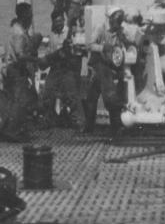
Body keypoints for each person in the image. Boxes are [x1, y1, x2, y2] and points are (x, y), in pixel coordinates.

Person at [82, 7, 133, 137]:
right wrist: (103, 47)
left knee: (111, 96)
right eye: (116, 21)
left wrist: (126, 38)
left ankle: (115, 127)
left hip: (111, 66)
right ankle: (89, 127)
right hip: (98, 65)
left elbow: (130, 42)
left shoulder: (121, 31)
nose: (117, 25)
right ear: (110, 20)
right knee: (92, 98)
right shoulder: (101, 28)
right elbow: (89, 45)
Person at [0, 2, 42, 140]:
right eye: (29, 14)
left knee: (13, 101)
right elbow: (20, 55)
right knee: (20, 101)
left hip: (11, 68)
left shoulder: (15, 29)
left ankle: (9, 129)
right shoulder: (19, 33)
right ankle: (12, 132)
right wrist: (37, 60)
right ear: (24, 15)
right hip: (15, 70)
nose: (31, 17)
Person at [37, 13, 82, 128]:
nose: (58, 24)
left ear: (64, 20)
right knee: (48, 92)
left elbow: (76, 50)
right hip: (55, 67)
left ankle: (75, 120)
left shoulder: (70, 33)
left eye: (60, 21)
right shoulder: (52, 34)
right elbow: (49, 52)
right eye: (56, 21)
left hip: (67, 68)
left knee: (71, 94)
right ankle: (48, 119)